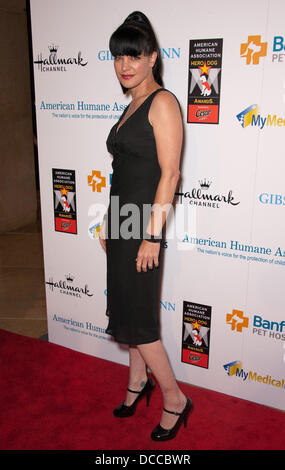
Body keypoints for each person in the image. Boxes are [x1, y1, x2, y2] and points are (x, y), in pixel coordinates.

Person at [99, 11, 192, 441]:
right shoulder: (131, 104)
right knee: (127, 315)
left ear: (152, 57)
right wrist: (108, 219)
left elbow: (169, 175)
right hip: (121, 224)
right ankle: (138, 382)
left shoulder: (163, 103)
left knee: (140, 321)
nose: (125, 65)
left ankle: (175, 399)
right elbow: (124, 171)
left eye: (134, 56)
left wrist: (151, 235)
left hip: (143, 229)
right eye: (119, 57)